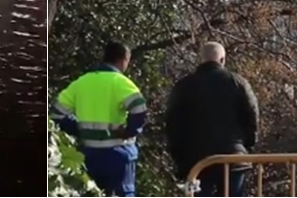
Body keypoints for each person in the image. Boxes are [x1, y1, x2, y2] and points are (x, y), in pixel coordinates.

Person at [51, 42, 147, 197]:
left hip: (88, 156)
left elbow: (56, 113)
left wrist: (78, 129)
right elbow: (139, 107)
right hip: (118, 155)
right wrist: (130, 130)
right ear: (124, 59)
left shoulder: (81, 83)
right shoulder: (120, 82)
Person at [165, 42, 259, 197]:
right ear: (222, 60)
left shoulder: (184, 86)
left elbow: (173, 123)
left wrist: (179, 156)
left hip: (197, 161)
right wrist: (246, 146)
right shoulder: (238, 83)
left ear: (201, 59)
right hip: (233, 157)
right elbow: (252, 117)